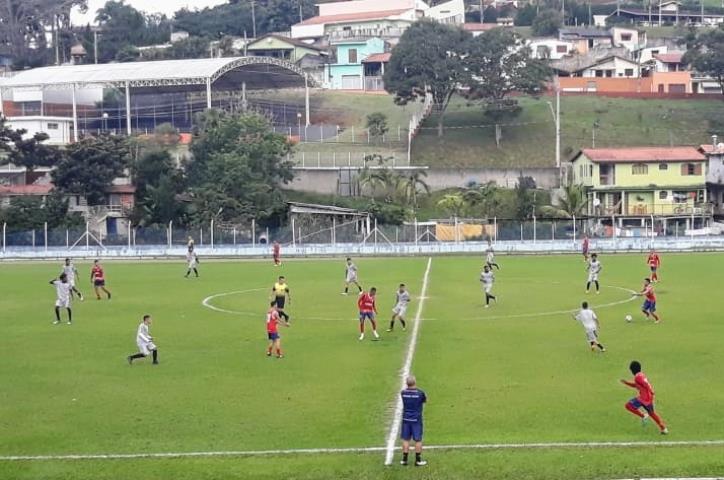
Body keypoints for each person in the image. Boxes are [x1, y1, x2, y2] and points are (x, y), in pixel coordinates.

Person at [621, 360, 668, 434]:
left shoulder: (637, 377)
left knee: (628, 405)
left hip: (643, 398)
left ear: (632, 370)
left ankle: (643, 415)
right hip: (649, 398)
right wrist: (626, 383)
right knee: (652, 413)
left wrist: (651, 390)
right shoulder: (641, 375)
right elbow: (636, 385)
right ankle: (664, 428)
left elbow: (645, 384)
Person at [399, 375, 427, 467]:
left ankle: (404, 460)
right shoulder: (420, 393)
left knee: (406, 439)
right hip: (416, 419)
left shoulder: (403, 393)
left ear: (406, 383)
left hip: (406, 419)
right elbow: (424, 400)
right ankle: (418, 460)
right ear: (415, 382)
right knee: (418, 440)